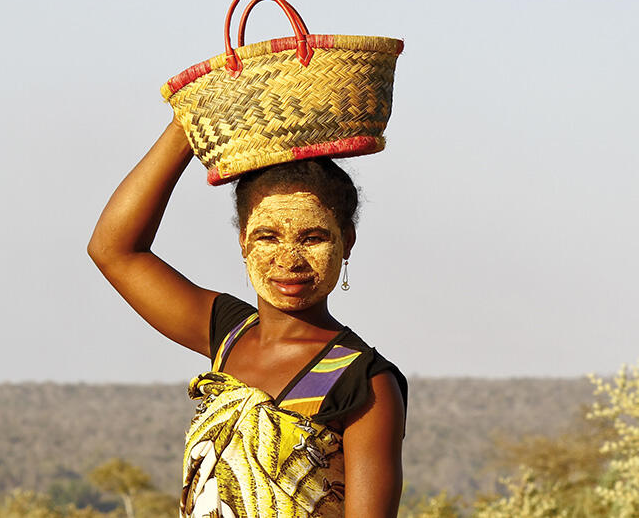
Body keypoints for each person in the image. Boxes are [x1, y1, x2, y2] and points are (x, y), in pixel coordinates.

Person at [89, 121, 406, 517]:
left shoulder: (363, 381)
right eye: (268, 236)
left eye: (312, 238)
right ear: (243, 240)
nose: (289, 260)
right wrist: (187, 126)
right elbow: (113, 249)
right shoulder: (228, 333)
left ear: (347, 241)